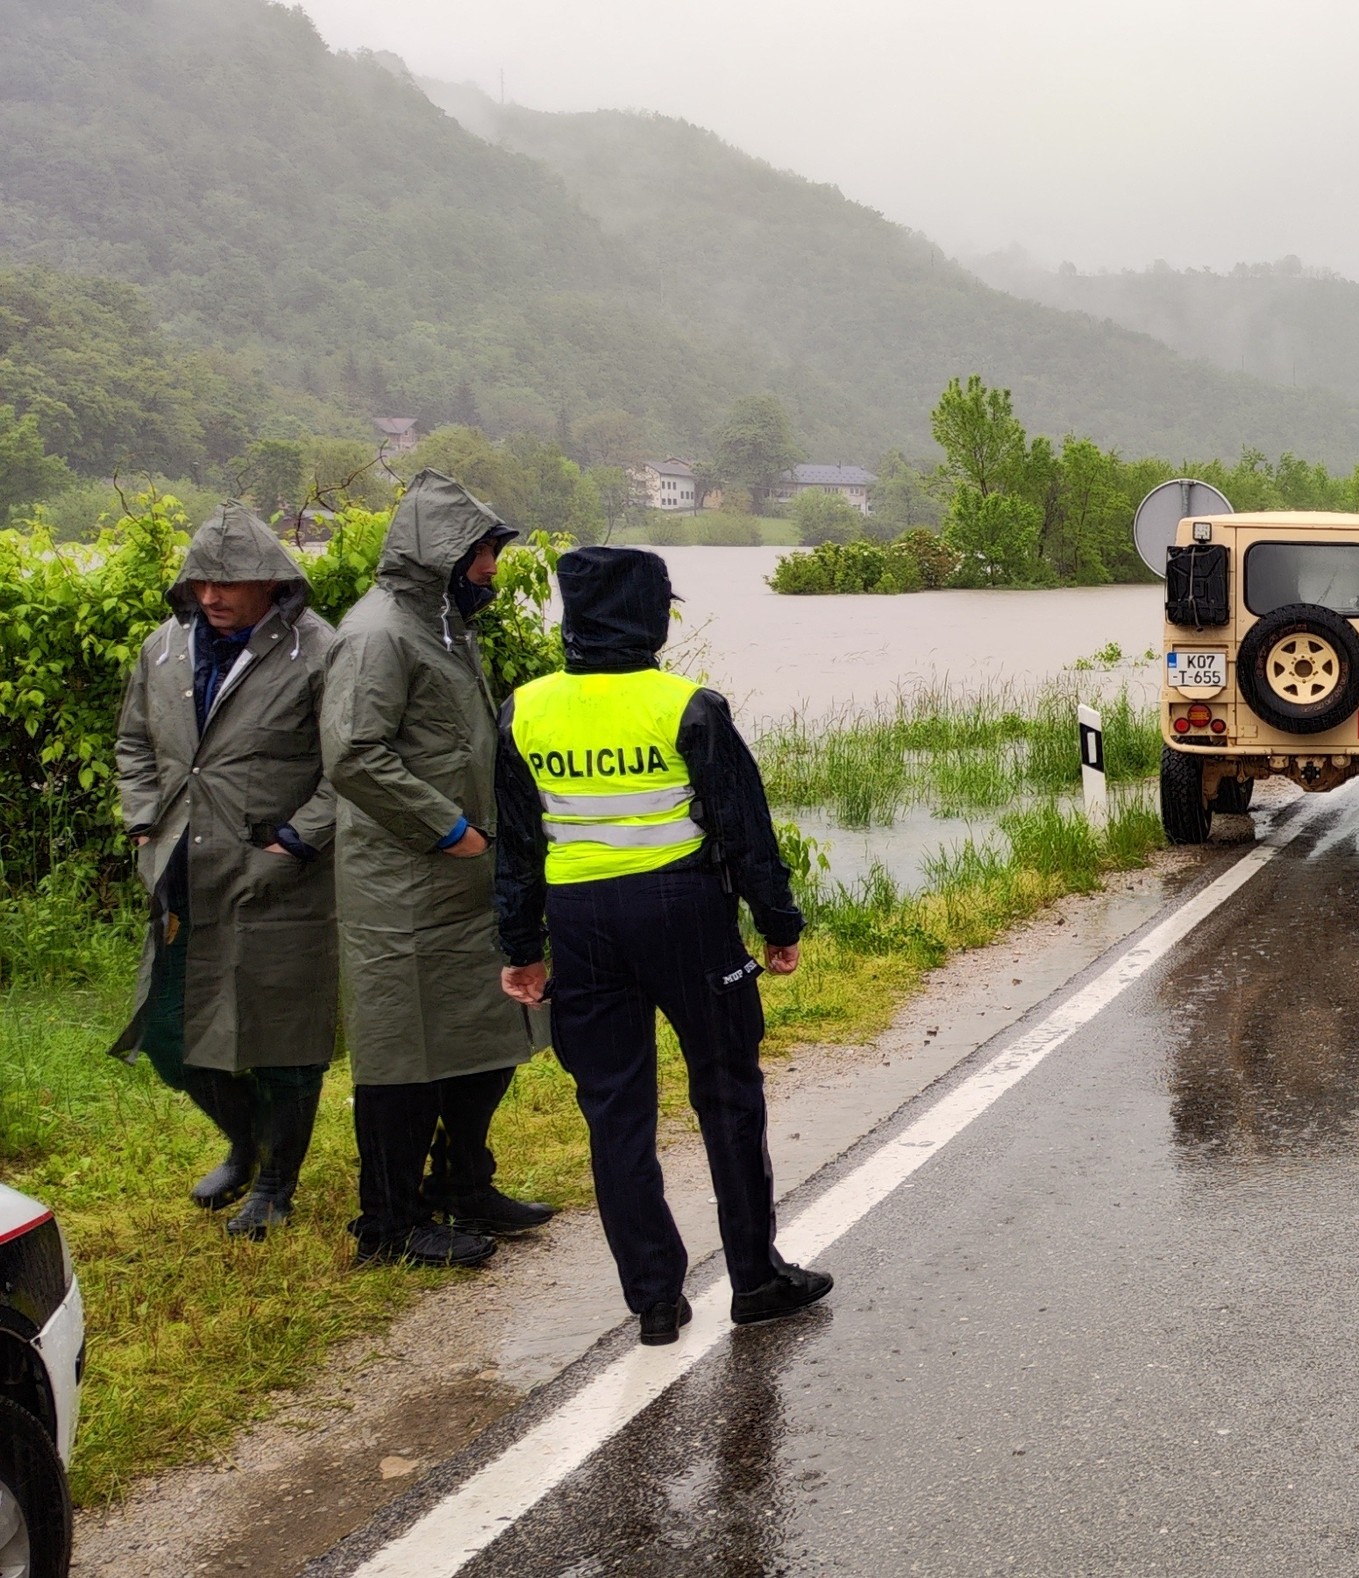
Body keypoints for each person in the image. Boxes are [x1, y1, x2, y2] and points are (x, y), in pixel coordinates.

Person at [493, 547, 832, 1346]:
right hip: (684, 914)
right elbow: (743, 827)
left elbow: (516, 844)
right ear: (649, 616)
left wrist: (521, 944)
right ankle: (755, 1278)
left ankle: (653, 1299)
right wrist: (778, 923)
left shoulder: (523, 710)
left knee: (614, 1109)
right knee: (727, 1092)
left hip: (579, 922)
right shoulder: (688, 706)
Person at [322, 473, 552, 1269]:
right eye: (482, 551)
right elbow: (354, 752)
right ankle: (388, 1225)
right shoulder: (377, 633)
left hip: (465, 881)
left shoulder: (444, 625)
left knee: (482, 1038)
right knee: (403, 1057)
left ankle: (463, 1183)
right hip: (404, 888)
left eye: (492, 550)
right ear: (440, 554)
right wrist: (448, 828)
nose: (492, 566)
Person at [111, 503, 343, 1240]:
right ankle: (246, 1144)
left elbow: (349, 767)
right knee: (170, 1035)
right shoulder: (163, 649)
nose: (210, 595)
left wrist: (296, 843)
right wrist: (143, 820)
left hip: (279, 880)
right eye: (200, 581)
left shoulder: (320, 651)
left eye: (228, 582)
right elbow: (134, 745)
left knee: (283, 1041)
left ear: (271, 580)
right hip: (182, 873)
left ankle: (275, 1182)